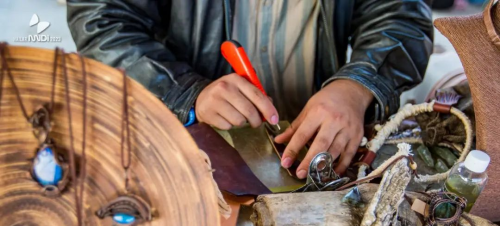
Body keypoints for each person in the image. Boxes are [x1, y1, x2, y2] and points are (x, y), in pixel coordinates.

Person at [67, 0, 433, 178]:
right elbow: (103, 21)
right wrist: (186, 93)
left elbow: (402, 17)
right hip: (190, 141)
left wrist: (355, 87)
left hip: (319, 141)